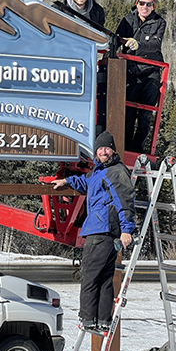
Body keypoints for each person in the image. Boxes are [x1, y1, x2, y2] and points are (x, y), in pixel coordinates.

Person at [51, 131, 135, 331]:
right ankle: (103, 320)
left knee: (89, 275)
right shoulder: (100, 172)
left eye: (107, 148)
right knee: (105, 278)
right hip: (103, 231)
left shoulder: (116, 171)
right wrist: (67, 181)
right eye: (100, 148)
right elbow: (85, 182)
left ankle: (88, 318)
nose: (104, 151)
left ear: (112, 150)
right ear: (96, 152)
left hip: (101, 231)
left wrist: (127, 229)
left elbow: (125, 200)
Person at [116, 0, 166, 153]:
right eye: (141, 3)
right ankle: (124, 146)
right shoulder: (128, 20)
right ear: (137, 4)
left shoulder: (159, 22)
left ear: (153, 6)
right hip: (132, 70)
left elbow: (155, 44)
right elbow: (117, 39)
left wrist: (139, 44)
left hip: (151, 71)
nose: (144, 7)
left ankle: (137, 149)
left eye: (149, 4)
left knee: (146, 113)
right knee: (128, 111)